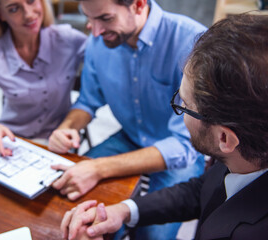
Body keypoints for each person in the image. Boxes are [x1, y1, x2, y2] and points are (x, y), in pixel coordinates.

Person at [61, 13, 268, 240]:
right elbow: (202, 190)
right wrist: (124, 210)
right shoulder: (244, 158)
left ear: (225, 139)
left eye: (184, 105)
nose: (177, 107)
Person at [48, 0, 206, 238]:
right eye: (89, 18)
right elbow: (88, 101)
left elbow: (184, 145)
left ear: (139, 5)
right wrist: (66, 128)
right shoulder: (99, 41)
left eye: (105, 18)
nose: (95, 30)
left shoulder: (191, 41)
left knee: (151, 235)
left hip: (179, 152)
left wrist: (99, 168)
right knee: (66, 206)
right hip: (130, 137)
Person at [0, 0, 86, 156]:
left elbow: (105, 57)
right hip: (13, 141)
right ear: (0, 14)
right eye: (14, 9)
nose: (29, 14)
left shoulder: (69, 40)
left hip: (57, 142)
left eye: (31, 1)